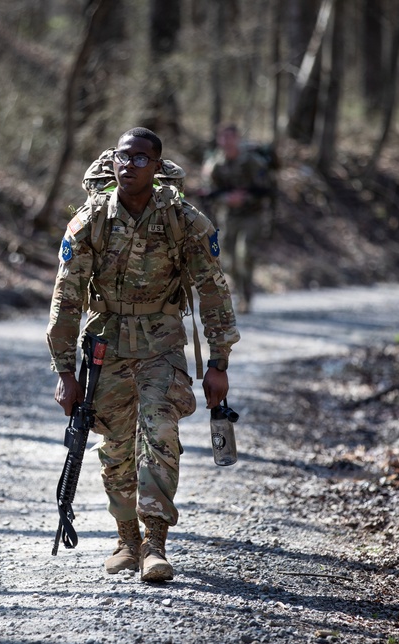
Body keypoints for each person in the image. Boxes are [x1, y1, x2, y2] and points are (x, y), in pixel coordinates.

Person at [47, 127, 240, 583]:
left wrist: (218, 364)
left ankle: (155, 543)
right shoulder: (91, 220)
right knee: (115, 446)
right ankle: (126, 541)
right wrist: (63, 371)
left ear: (157, 168)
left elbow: (213, 291)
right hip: (104, 347)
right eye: (122, 157)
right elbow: (66, 297)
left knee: (159, 432)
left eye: (140, 159)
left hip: (162, 343)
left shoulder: (184, 221)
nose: (128, 165)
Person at [201, 124, 275, 313]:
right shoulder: (215, 164)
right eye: (223, 138)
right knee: (228, 260)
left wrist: (244, 198)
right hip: (228, 216)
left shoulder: (252, 161)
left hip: (252, 215)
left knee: (245, 255)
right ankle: (238, 293)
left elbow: (267, 189)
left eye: (230, 138)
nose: (226, 142)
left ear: (237, 139)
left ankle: (246, 298)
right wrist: (227, 198)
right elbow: (208, 191)